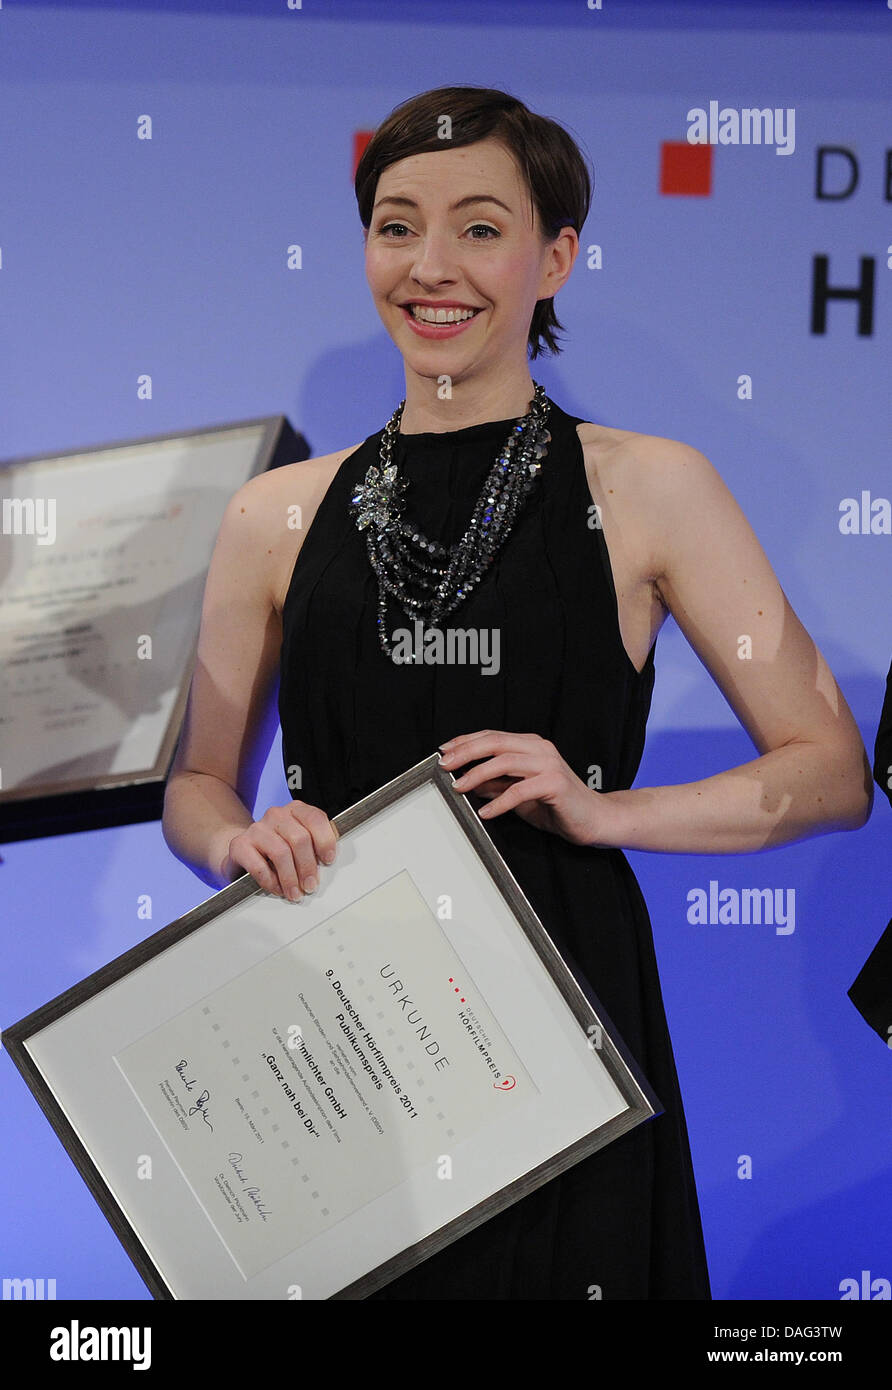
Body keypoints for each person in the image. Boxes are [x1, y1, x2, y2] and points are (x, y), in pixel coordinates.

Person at [161, 85, 873, 1299]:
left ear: (555, 259)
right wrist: (238, 838)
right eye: (397, 226)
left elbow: (829, 770)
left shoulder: (651, 486)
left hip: (560, 1014)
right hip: (326, 1016)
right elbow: (194, 783)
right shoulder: (273, 513)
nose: (431, 266)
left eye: (480, 229)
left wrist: (605, 812)